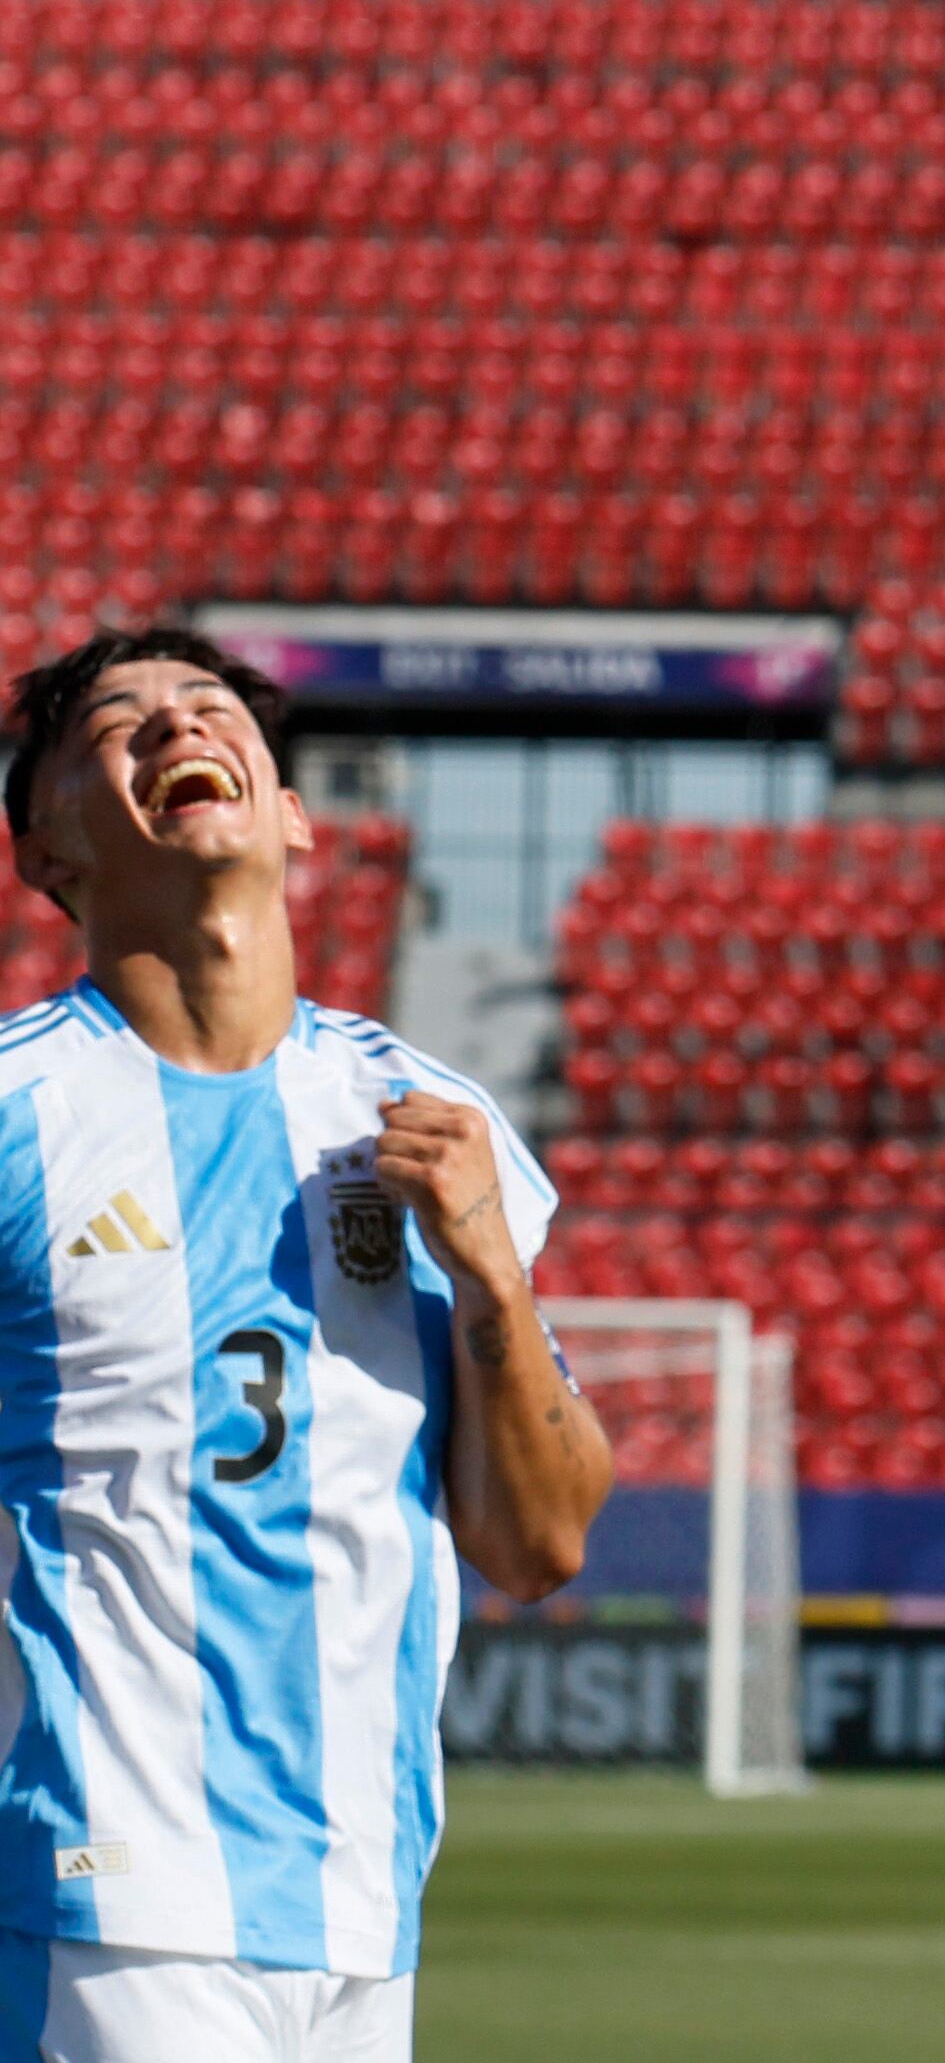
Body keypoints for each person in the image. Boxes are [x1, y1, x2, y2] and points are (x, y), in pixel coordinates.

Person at [0, 629, 612, 2060]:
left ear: (291, 812)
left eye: (208, 709)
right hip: (105, 1875)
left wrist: (495, 1290)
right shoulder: (21, 1114)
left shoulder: (423, 1113)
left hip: (359, 1896)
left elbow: (540, 1543)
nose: (174, 725)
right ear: (49, 845)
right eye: (120, 724)